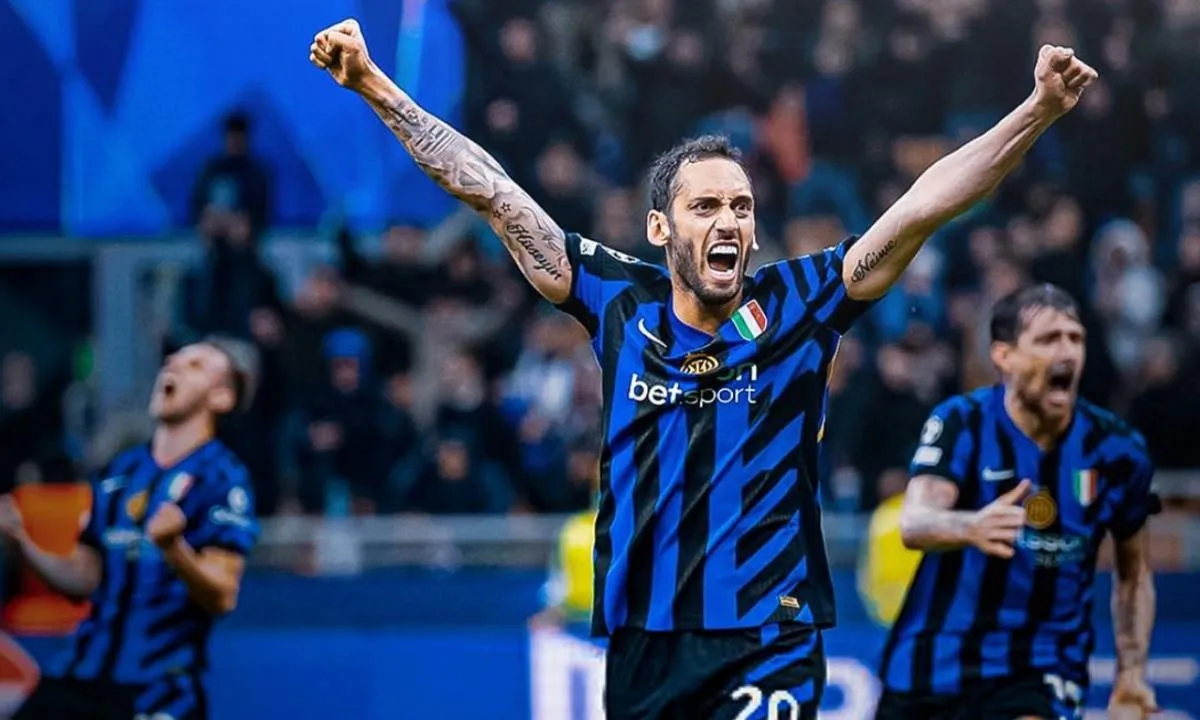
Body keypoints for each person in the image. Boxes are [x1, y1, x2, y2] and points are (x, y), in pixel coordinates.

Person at [310, 19, 1097, 718]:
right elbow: (489, 190)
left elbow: (924, 206)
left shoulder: (802, 302)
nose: (730, 221)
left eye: (742, 207)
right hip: (644, 648)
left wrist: (1036, 111)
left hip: (769, 637)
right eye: (706, 206)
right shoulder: (617, 299)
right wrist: (376, 85)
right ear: (660, 228)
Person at [875, 285, 1158, 720]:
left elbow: (1133, 575)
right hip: (932, 663)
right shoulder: (962, 421)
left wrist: (1131, 674)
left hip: (1041, 664)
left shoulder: (1117, 450)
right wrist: (970, 527)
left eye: (1075, 338)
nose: (1067, 352)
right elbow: (915, 523)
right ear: (1004, 356)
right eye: (1048, 339)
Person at [2, 340, 261, 720]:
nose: (173, 366)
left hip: (158, 685)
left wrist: (174, 549)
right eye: (172, 361)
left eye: (195, 365)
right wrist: (21, 544)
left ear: (221, 397)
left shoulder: (222, 479)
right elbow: (86, 577)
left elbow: (221, 595)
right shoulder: (120, 472)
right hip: (79, 675)